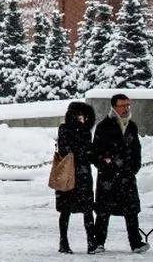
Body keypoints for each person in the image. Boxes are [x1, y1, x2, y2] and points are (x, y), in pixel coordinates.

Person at [91, 94, 149, 254]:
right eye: (122, 105)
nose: (126, 108)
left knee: (131, 211)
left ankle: (136, 243)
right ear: (114, 107)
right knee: (103, 212)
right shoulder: (103, 126)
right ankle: (98, 243)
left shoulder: (132, 126)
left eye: (128, 105)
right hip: (108, 177)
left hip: (127, 176)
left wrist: (133, 168)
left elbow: (136, 150)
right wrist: (105, 164)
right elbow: (95, 153)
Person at [55, 101, 96, 254]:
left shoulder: (86, 131)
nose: (82, 118)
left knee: (88, 210)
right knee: (65, 210)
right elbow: (65, 149)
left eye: (84, 115)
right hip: (69, 174)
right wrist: (83, 152)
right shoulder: (64, 129)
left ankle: (91, 242)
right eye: (79, 115)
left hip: (84, 175)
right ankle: (63, 242)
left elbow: (88, 151)